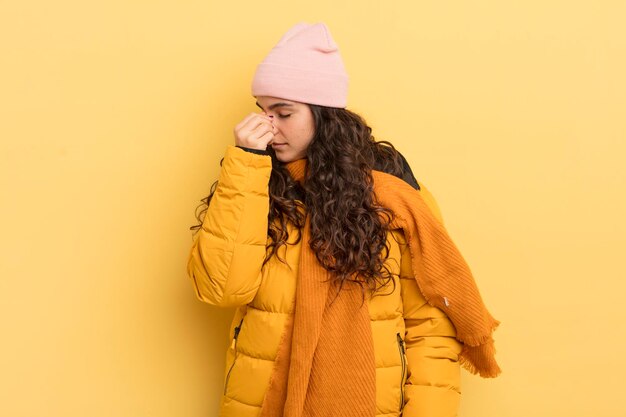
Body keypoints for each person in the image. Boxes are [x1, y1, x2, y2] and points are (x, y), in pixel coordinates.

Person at [187, 21, 500, 417]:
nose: (268, 127)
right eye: (262, 112)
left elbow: (430, 329)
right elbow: (222, 288)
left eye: (283, 112)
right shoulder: (253, 185)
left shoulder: (395, 196)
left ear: (323, 115)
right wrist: (246, 167)